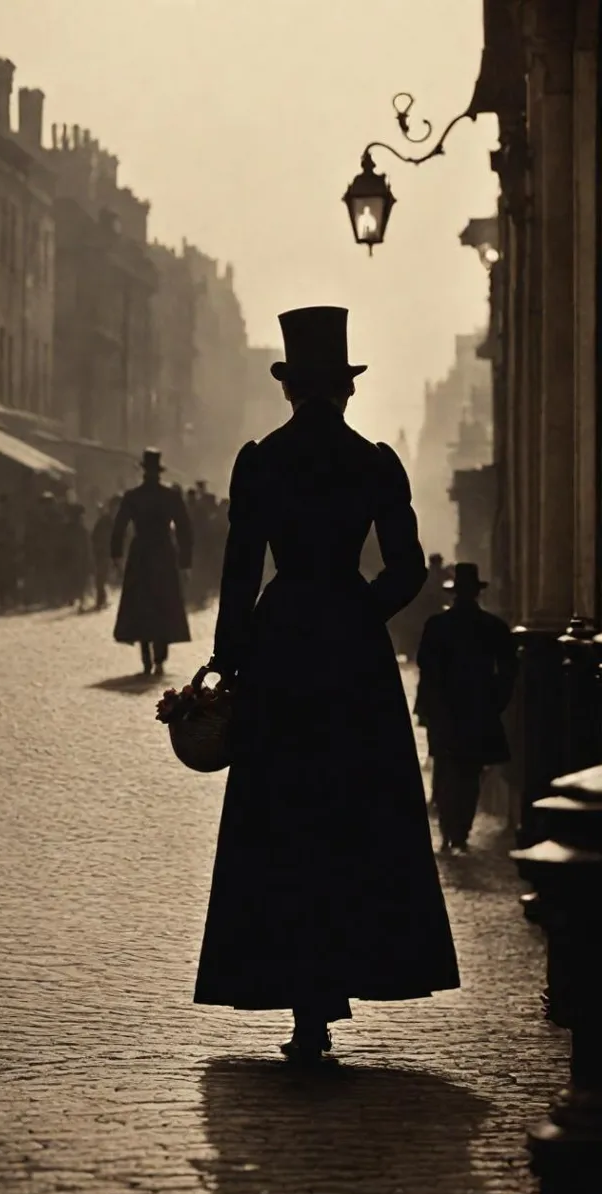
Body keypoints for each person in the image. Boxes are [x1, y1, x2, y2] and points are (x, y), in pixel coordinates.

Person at [193, 306, 459, 1063]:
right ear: (345, 390)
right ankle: (342, 975)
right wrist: (357, 610)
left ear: (290, 390)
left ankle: (302, 1004)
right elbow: (407, 569)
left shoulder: (261, 461)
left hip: (282, 647)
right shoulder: (375, 463)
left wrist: (230, 655)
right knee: (355, 810)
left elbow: (241, 568)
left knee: (282, 814)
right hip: (351, 656)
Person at [415, 562, 518, 853]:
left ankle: (450, 827)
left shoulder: (437, 626)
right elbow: (509, 668)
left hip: (445, 709)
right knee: (470, 771)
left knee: (447, 768)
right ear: (476, 593)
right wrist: (497, 700)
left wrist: (428, 707)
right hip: (477, 708)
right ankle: (461, 829)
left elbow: (427, 669)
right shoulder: (492, 626)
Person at [110, 448, 193, 676]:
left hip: (141, 554)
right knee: (163, 602)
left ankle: (147, 655)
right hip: (164, 552)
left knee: (141, 603)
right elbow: (185, 529)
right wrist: (186, 562)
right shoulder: (170, 497)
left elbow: (118, 528)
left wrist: (116, 555)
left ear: (144, 471)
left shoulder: (133, 497)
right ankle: (160, 656)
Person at [91, 496, 120, 611]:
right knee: (101, 577)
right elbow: (95, 536)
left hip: (115, 553)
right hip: (103, 552)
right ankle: (101, 599)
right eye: (115, 507)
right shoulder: (103, 521)